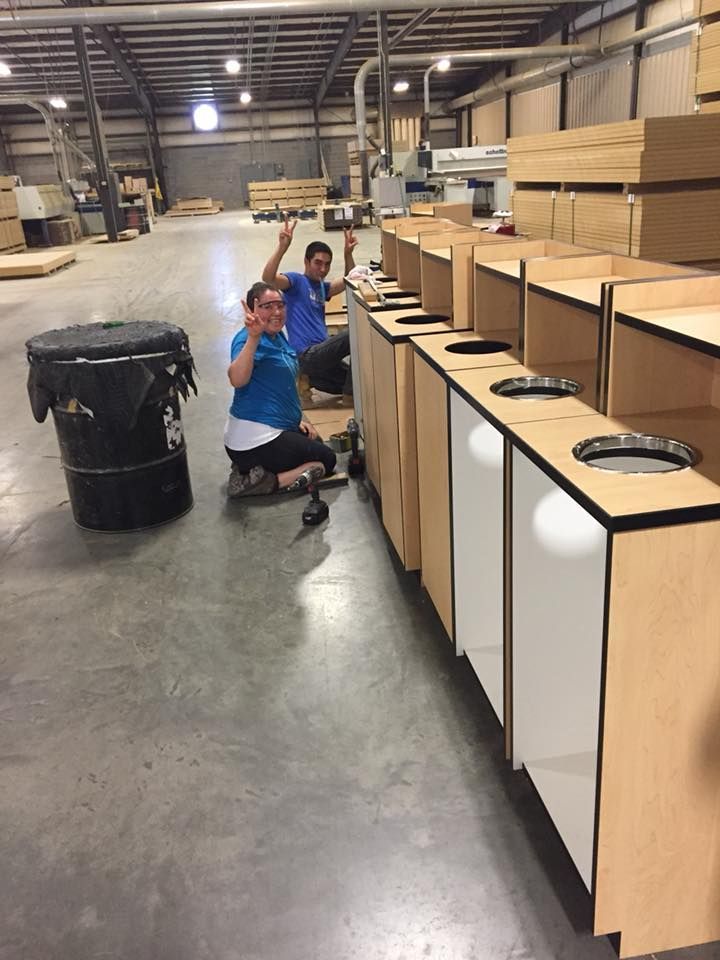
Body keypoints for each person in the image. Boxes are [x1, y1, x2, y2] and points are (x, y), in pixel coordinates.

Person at [224, 281, 337, 497]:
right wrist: (253, 337)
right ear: (253, 310)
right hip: (254, 439)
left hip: (271, 429)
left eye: (280, 305)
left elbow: (281, 388)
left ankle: (251, 469)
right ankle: (259, 482)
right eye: (267, 306)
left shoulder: (277, 336)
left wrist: (297, 421)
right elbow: (237, 379)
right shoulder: (247, 339)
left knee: (315, 441)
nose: (276, 312)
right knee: (325, 462)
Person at [261, 215, 358, 398]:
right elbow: (268, 278)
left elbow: (350, 280)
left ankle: (307, 379)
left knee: (360, 382)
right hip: (307, 354)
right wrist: (282, 247)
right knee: (356, 334)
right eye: (318, 263)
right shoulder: (296, 282)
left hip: (321, 359)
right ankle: (349, 397)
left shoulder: (323, 287)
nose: (323, 269)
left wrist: (348, 255)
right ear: (306, 262)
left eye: (327, 264)